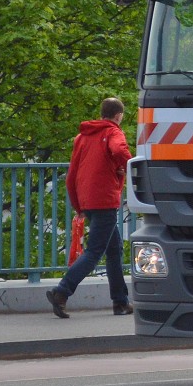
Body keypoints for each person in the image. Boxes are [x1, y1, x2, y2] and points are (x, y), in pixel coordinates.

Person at [46, 98, 135, 318]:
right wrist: (131, 169)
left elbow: (72, 175)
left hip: (88, 200)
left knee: (114, 250)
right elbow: (119, 150)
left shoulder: (82, 137)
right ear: (118, 116)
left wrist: (79, 205)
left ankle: (120, 302)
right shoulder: (114, 132)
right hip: (105, 200)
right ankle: (62, 292)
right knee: (94, 251)